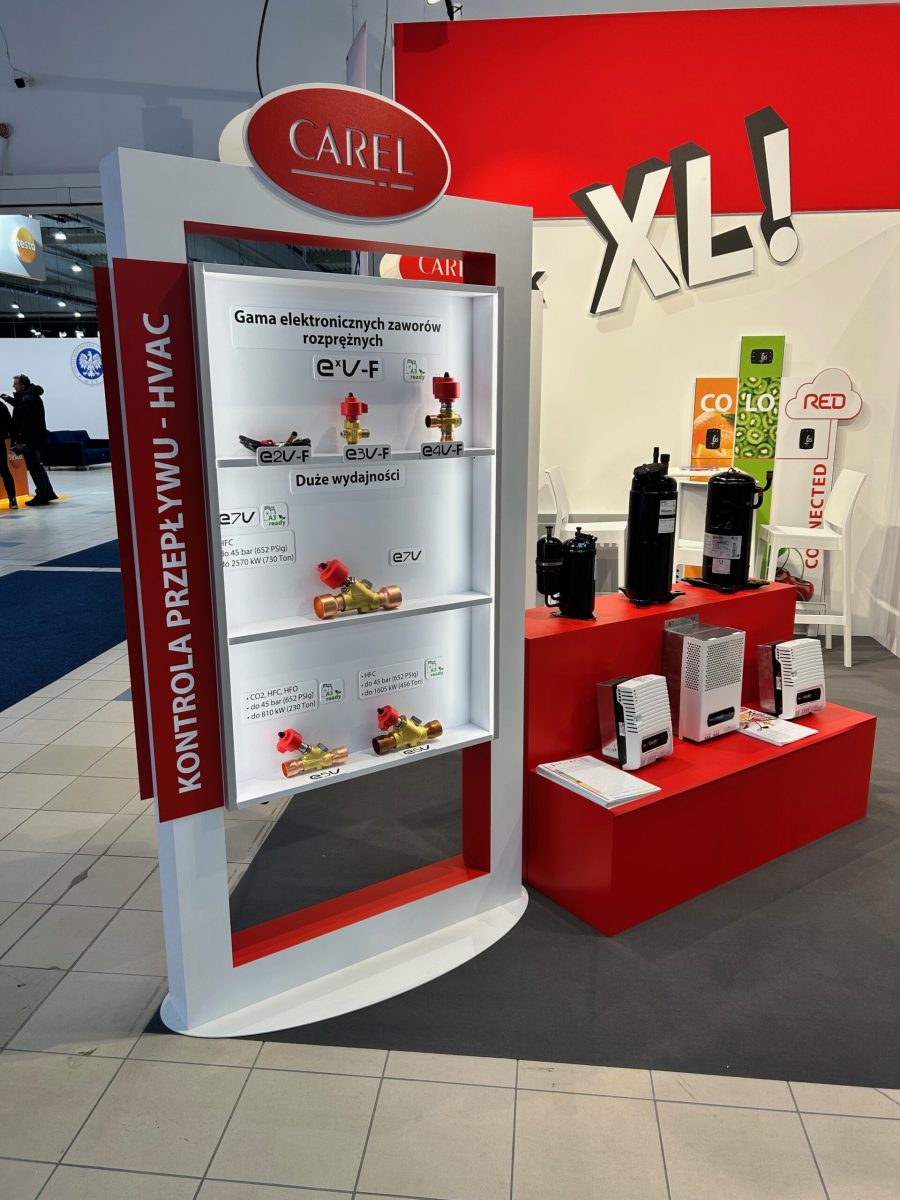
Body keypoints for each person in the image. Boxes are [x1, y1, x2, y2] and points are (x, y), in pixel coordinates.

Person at [0, 374, 57, 506]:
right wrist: (9, 399)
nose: (13, 386)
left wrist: (20, 440)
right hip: (35, 437)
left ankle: (41, 495)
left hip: (30, 439)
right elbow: (21, 406)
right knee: (37, 466)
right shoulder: (31, 396)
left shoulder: (28, 398)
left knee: (34, 467)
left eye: (15, 384)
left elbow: (25, 421)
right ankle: (48, 492)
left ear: (22, 385)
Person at [0, 392, 17, 509]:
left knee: (5, 472)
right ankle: (13, 499)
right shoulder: (1, 406)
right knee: (5, 471)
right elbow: (9, 424)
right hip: (0, 443)